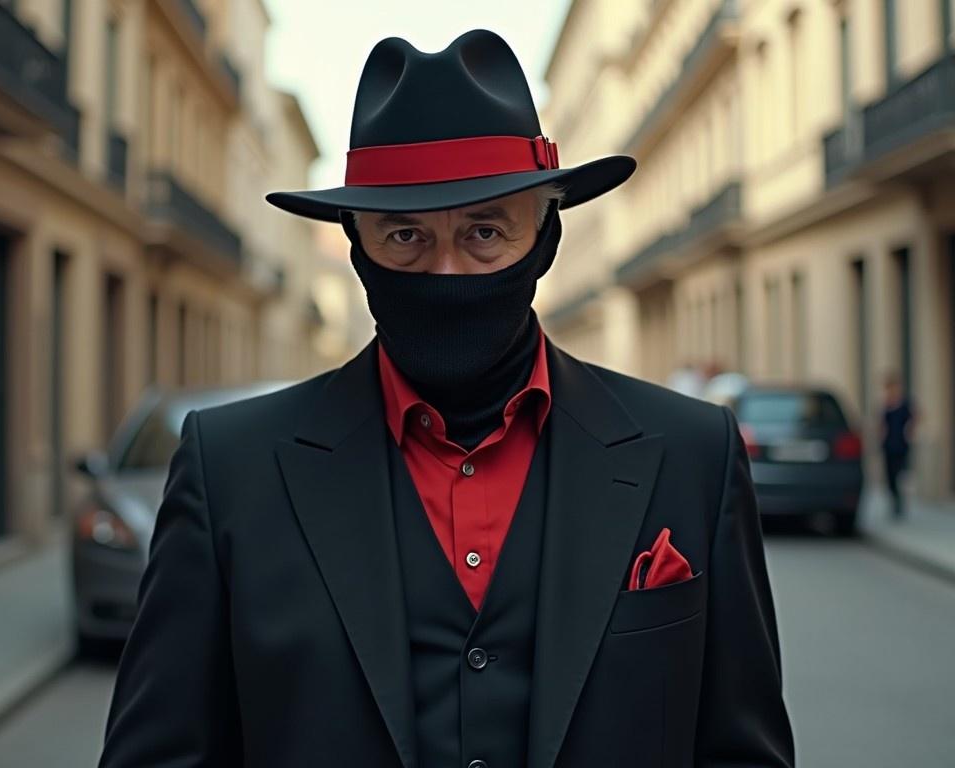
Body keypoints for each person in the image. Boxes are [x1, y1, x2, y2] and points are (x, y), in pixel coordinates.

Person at [99, 29, 794, 767]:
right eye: (405, 237)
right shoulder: (228, 470)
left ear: (546, 239)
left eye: (486, 232)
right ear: (358, 249)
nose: (448, 271)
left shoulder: (695, 455)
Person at [880, 371, 916, 518]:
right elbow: (882, 424)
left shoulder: (905, 403)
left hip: (901, 444)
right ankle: (894, 500)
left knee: (900, 473)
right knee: (889, 476)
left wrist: (910, 432)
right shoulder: (886, 404)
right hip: (888, 444)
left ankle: (900, 502)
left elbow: (915, 417)